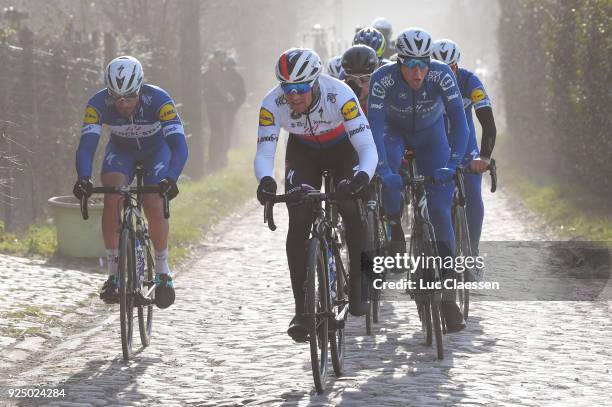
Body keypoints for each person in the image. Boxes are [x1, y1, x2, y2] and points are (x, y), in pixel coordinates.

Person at [254, 48, 378, 342]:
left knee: (349, 207)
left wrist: (362, 175)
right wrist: (267, 181)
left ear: (315, 82)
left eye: (300, 88)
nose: (293, 96)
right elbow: (264, 152)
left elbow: (367, 147)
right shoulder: (272, 104)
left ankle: (360, 281)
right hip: (303, 153)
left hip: (342, 151)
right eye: (287, 88)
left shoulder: (341, 95)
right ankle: (302, 310)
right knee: (298, 221)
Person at [367, 28, 469, 332]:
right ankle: (394, 225)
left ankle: (448, 296)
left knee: (439, 211)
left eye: (423, 63)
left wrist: (452, 164)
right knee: (391, 181)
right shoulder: (382, 78)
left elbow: (461, 124)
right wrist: (384, 169)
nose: (417, 71)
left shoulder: (441, 76)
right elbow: (374, 127)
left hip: (431, 137)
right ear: (399, 61)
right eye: (410, 64)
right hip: (393, 134)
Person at [74, 56, 188, 309]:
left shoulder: (159, 100)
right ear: (109, 93)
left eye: (130, 97)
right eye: (117, 98)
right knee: (112, 196)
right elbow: (86, 147)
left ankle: (162, 271)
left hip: (156, 152)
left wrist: (171, 178)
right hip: (121, 152)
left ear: (140, 88)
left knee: (153, 203)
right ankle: (113, 275)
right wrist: (83, 178)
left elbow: (179, 145)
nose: (123, 104)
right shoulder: (97, 103)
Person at [432, 39, 496, 260]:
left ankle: (473, 252)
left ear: (456, 66)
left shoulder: (469, 81)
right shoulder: (422, 84)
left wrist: (485, 157)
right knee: (432, 199)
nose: (446, 74)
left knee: (473, 194)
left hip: (466, 147)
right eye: (439, 68)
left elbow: (487, 121)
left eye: (450, 68)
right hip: (435, 146)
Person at [202, 50, 233, 172]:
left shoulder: (220, 71)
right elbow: (215, 88)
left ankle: (218, 161)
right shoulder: (212, 71)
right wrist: (226, 99)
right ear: (215, 58)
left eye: (224, 57)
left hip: (219, 106)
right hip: (215, 106)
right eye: (221, 57)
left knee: (220, 134)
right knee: (218, 134)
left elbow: (223, 87)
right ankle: (215, 162)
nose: (223, 60)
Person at [341, 44, 379, 113]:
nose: (358, 84)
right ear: (345, 80)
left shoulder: (385, 97)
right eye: (352, 79)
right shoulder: (337, 93)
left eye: (364, 78)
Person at [223, 56, 246, 159]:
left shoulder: (238, 77)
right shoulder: (222, 76)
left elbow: (242, 94)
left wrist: (236, 105)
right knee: (222, 132)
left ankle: (224, 154)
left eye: (232, 66)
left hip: (231, 109)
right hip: (220, 109)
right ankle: (221, 154)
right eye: (228, 66)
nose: (230, 68)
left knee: (227, 131)